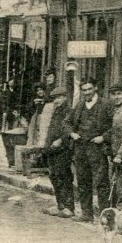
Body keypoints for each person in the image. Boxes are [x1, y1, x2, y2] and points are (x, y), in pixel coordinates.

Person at [65, 81, 114, 222]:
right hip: (80, 148)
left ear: (96, 88)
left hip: (97, 148)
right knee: (83, 181)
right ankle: (87, 214)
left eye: (90, 89)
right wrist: (72, 134)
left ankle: (104, 215)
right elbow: (66, 122)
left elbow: (115, 126)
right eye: (84, 90)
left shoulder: (106, 104)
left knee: (101, 182)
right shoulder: (79, 105)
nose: (87, 92)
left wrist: (103, 137)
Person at [41, 85, 75, 218]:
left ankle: (69, 207)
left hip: (62, 149)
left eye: (59, 97)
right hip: (52, 149)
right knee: (54, 176)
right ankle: (60, 205)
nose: (56, 100)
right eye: (55, 98)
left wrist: (60, 140)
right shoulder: (56, 110)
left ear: (65, 97)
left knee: (64, 177)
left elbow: (69, 129)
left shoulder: (69, 111)